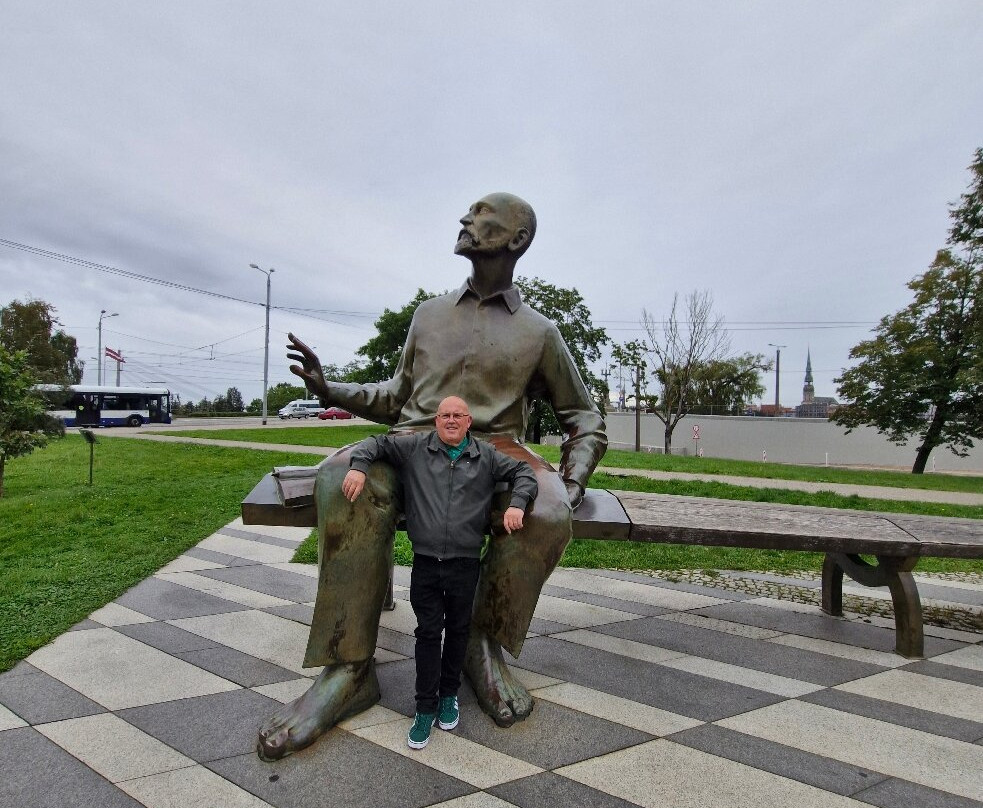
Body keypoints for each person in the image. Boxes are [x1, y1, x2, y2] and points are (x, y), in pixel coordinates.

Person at [258, 192, 607, 761]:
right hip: (411, 444)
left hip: (494, 452)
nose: (466, 219)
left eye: (482, 213)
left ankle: (478, 644)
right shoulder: (427, 315)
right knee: (343, 482)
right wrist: (329, 390)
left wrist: (572, 479)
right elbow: (395, 398)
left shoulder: (540, 332)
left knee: (544, 509)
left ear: (517, 239)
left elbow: (584, 416)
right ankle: (347, 669)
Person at [341, 395, 537, 749]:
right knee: (428, 634)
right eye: (444, 415)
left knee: (459, 632)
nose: (450, 420)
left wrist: (518, 504)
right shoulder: (416, 448)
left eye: (457, 415)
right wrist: (358, 466)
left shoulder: (485, 455)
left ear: (467, 421)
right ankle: (424, 707)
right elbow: (374, 443)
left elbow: (524, 472)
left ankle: (449, 695)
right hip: (427, 563)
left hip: (464, 564)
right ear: (436, 420)